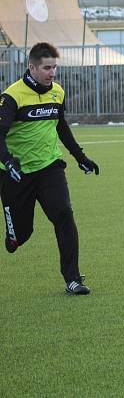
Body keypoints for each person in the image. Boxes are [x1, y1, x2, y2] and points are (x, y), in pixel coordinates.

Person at [0, 43, 99, 295]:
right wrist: (10, 162)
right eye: (46, 68)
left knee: (64, 214)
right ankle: (13, 235)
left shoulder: (57, 92)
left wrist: (80, 156)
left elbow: (61, 126)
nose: (52, 73)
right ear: (31, 67)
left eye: (55, 67)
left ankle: (73, 278)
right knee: (21, 236)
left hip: (50, 168)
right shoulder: (12, 96)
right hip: (17, 172)